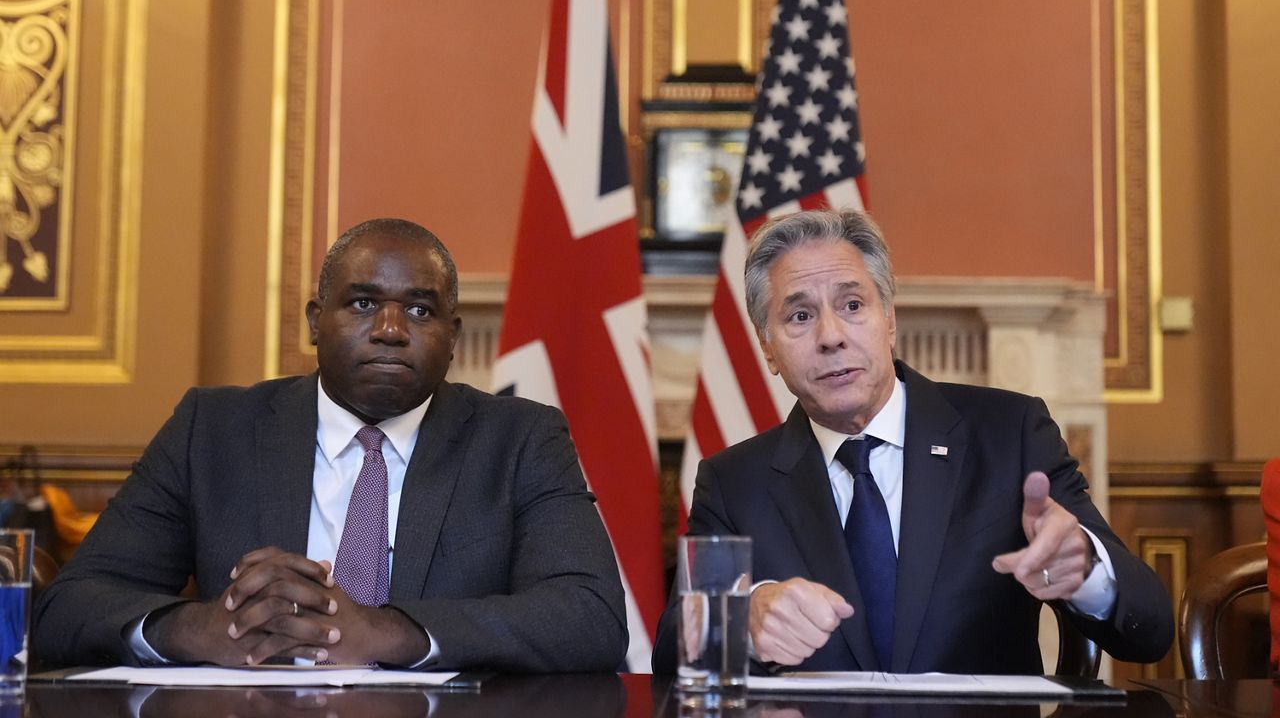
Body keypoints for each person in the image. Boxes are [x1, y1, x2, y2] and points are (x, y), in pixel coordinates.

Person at [33, 218, 628, 671]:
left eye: (420, 309)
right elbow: (69, 608)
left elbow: (591, 617)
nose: (391, 330)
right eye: (364, 303)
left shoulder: (520, 438)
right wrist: (199, 630)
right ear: (317, 320)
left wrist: (389, 632)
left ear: (452, 336)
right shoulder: (212, 429)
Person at [653, 209, 1173, 674]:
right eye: (800, 316)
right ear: (767, 348)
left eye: (853, 304)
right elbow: (671, 651)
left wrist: (1084, 568)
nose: (831, 336)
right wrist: (743, 618)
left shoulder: (1007, 434)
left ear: (890, 320)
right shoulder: (734, 481)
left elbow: (1150, 630)